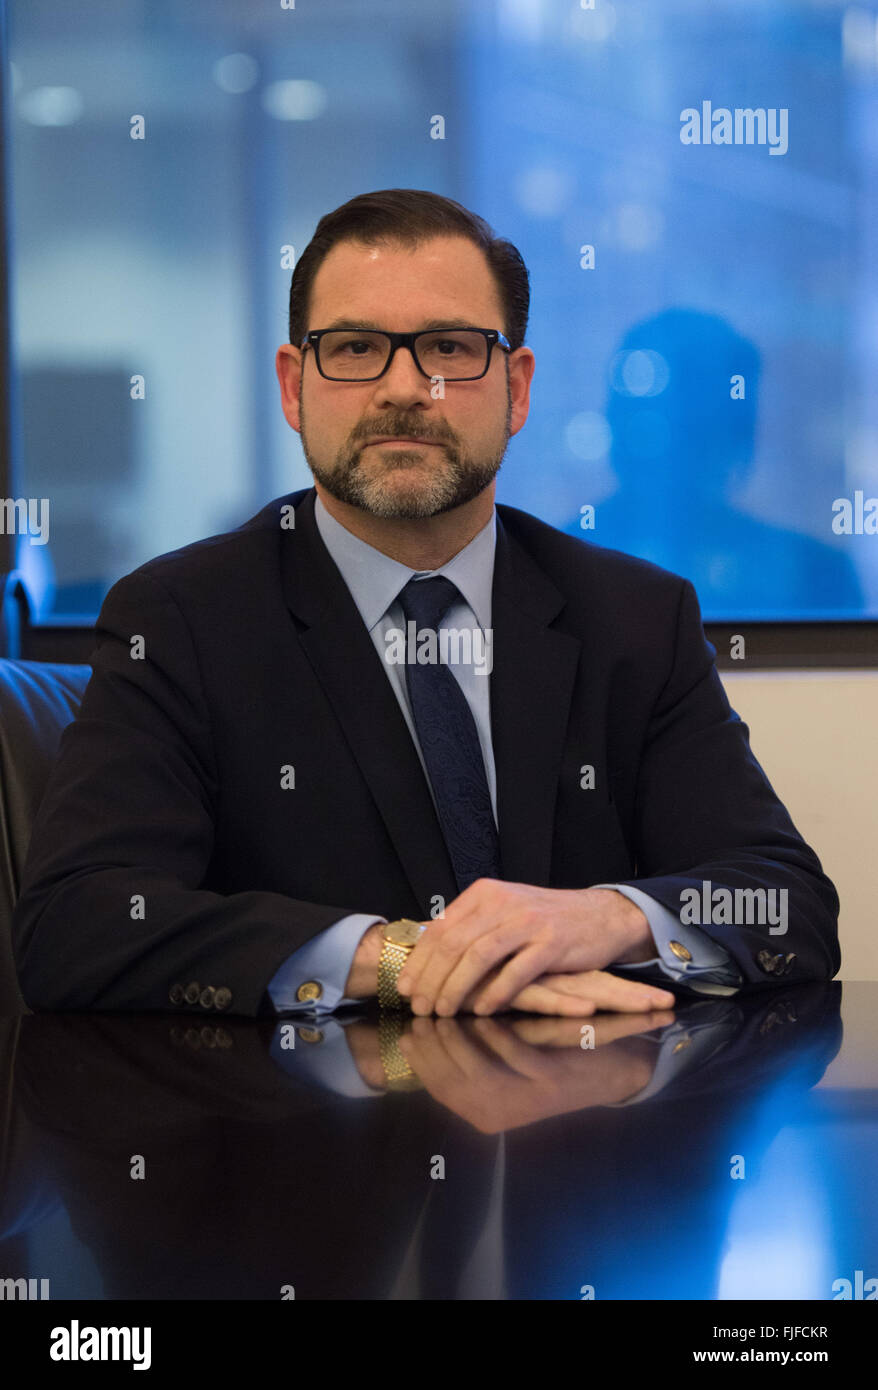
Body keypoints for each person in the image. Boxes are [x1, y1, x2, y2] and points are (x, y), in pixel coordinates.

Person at [12, 189, 840, 1021]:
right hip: (298, 1135)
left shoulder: (636, 617)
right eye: (357, 347)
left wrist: (604, 919)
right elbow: (79, 925)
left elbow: (784, 904)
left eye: (448, 347)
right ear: (295, 387)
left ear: (516, 390)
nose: (405, 388)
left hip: (587, 1125)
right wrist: (402, 958)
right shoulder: (182, 619)